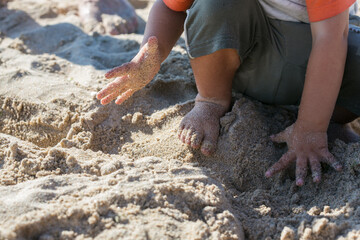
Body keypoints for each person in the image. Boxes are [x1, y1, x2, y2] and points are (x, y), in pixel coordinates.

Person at [96, 0, 360, 186]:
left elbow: (331, 39)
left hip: (313, 62)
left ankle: (332, 120)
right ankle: (211, 100)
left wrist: (312, 126)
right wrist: (150, 56)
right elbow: (170, 7)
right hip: (245, 59)